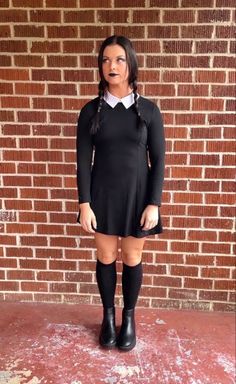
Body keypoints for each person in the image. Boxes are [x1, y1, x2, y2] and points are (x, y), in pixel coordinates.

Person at [76, 35, 165, 352]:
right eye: (105, 60)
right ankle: (107, 316)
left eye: (119, 59)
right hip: (101, 197)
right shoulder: (90, 112)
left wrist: (154, 203)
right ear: (100, 66)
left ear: (130, 64)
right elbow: (83, 163)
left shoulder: (150, 112)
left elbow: (159, 162)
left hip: (138, 198)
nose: (111, 66)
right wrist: (84, 204)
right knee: (105, 256)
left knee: (131, 257)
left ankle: (128, 319)